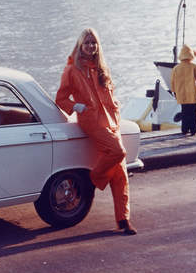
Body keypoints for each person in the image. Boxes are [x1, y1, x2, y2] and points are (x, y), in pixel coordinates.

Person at [55, 28, 136, 235]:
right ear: (80, 45)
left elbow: (109, 93)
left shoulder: (101, 67)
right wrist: (76, 107)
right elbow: (61, 99)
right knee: (119, 152)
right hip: (92, 120)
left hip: (112, 120)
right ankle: (94, 179)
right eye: (87, 43)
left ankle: (123, 220)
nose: (91, 46)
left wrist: (115, 104)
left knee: (120, 175)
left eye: (94, 43)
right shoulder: (72, 70)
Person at [170, 44, 196, 136]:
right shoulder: (195, 67)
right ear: (191, 55)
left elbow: (172, 82)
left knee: (184, 112)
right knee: (192, 113)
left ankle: (184, 129)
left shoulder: (176, 68)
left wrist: (174, 91)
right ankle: (193, 129)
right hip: (192, 94)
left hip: (181, 94)